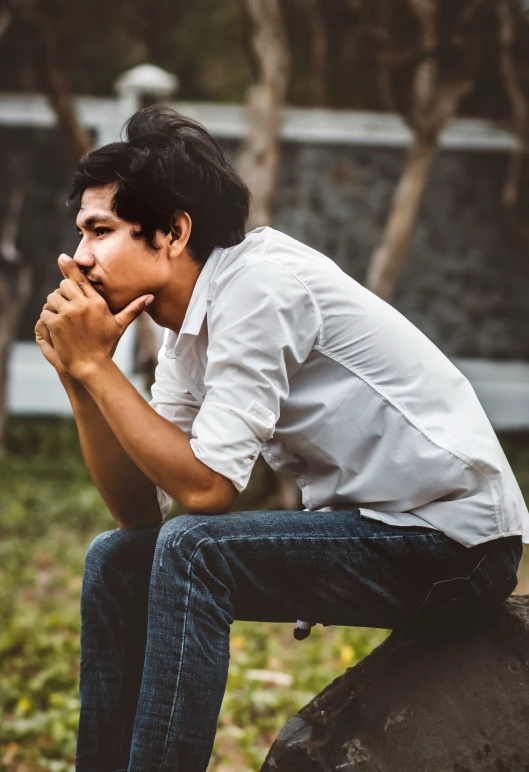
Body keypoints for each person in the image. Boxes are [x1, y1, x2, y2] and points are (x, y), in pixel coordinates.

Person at [35, 105, 527, 772]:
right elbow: (138, 512)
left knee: (194, 550)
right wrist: (78, 378)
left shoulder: (259, 286)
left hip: (454, 546)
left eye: (100, 231)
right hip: (381, 532)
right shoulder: (189, 329)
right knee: (118, 557)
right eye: (80, 234)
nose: (78, 257)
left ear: (173, 232)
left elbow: (205, 491)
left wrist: (96, 365)